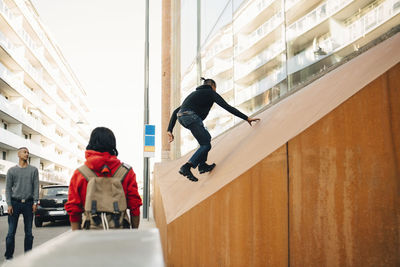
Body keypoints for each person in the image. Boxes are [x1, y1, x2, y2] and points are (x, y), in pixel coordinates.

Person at [167, 78, 260, 182]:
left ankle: (202, 166)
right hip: (191, 117)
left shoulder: (195, 94)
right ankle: (187, 166)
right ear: (213, 86)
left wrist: (169, 130)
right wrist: (246, 118)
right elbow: (227, 107)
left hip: (182, 118)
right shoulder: (210, 93)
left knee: (206, 138)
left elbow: (176, 111)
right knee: (206, 145)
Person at [65, 127, 142, 230]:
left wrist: (77, 236)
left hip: (90, 236)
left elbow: (73, 209)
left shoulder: (80, 173)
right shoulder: (126, 172)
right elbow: (135, 206)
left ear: (91, 144)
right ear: (113, 144)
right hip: (121, 234)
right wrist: (134, 231)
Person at [4, 147, 39, 260]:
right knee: (11, 232)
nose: (27, 154)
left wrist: (35, 202)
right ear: (18, 154)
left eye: (28, 152)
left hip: (29, 204)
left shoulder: (33, 170)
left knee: (28, 232)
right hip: (14, 203)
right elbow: (8, 189)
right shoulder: (11, 171)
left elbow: (36, 187)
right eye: (24, 152)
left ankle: (27, 257)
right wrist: (9, 204)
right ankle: (9, 257)